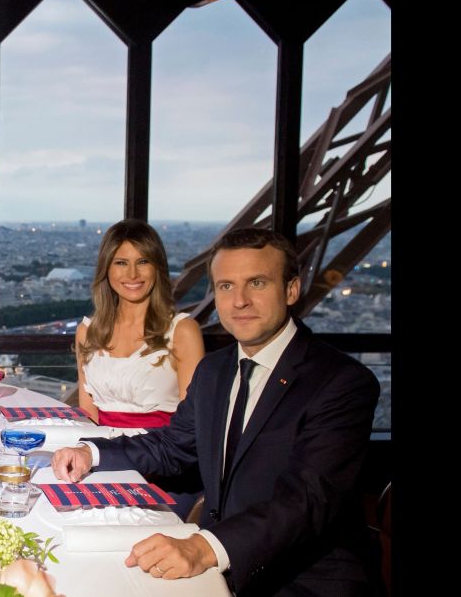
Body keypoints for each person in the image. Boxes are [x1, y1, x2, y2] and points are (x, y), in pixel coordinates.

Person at [52, 228, 380, 596]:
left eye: (256, 283)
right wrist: (93, 452)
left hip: (302, 579)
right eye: (225, 286)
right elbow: (174, 445)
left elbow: (307, 501)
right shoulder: (216, 370)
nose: (239, 301)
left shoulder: (341, 382)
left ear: (291, 289)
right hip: (222, 562)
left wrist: (205, 547)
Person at [76, 219, 205, 432]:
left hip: (160, 458)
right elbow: (88, 415)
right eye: (121, 263)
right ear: (106, 269)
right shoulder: (88, 333)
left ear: (158, 267)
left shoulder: (182, 331)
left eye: (143, 261)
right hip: (100, 456)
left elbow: (190, 424)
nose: (132, 274)